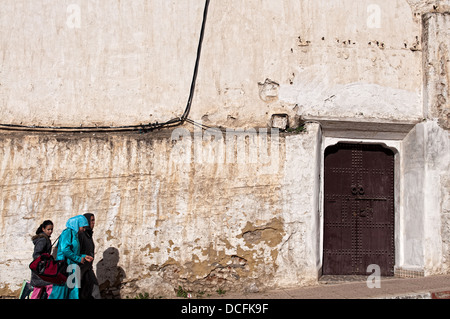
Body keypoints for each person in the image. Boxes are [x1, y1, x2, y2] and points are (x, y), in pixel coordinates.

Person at [48, 215, 93, 299]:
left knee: (73, 293)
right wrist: (79, 259)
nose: (84, 230)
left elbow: (73, 252)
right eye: (83, 227)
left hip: (72, 268)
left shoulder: (75, 235)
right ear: (77, 224)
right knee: (60, 294)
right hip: (64, 268)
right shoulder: (67, 232)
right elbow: (65, 250)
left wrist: (84, 256)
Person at [78, 213, 100, 299]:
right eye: (92, 220)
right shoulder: (81, 235)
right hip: (81, 270)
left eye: (94, 220)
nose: (94, 223)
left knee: (94, 292)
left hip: (88, 270)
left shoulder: (88, 235)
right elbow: (76, 252)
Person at [30, 220, 54, 299]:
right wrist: (45, 260)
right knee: (49, 286)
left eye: (51, 229)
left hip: (41, 269)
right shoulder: (43, 240)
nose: (50, 231)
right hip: (41, 269)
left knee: (38, 290)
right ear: (43, 229)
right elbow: (36, 254)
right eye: (48, 229)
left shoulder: (45, 239)